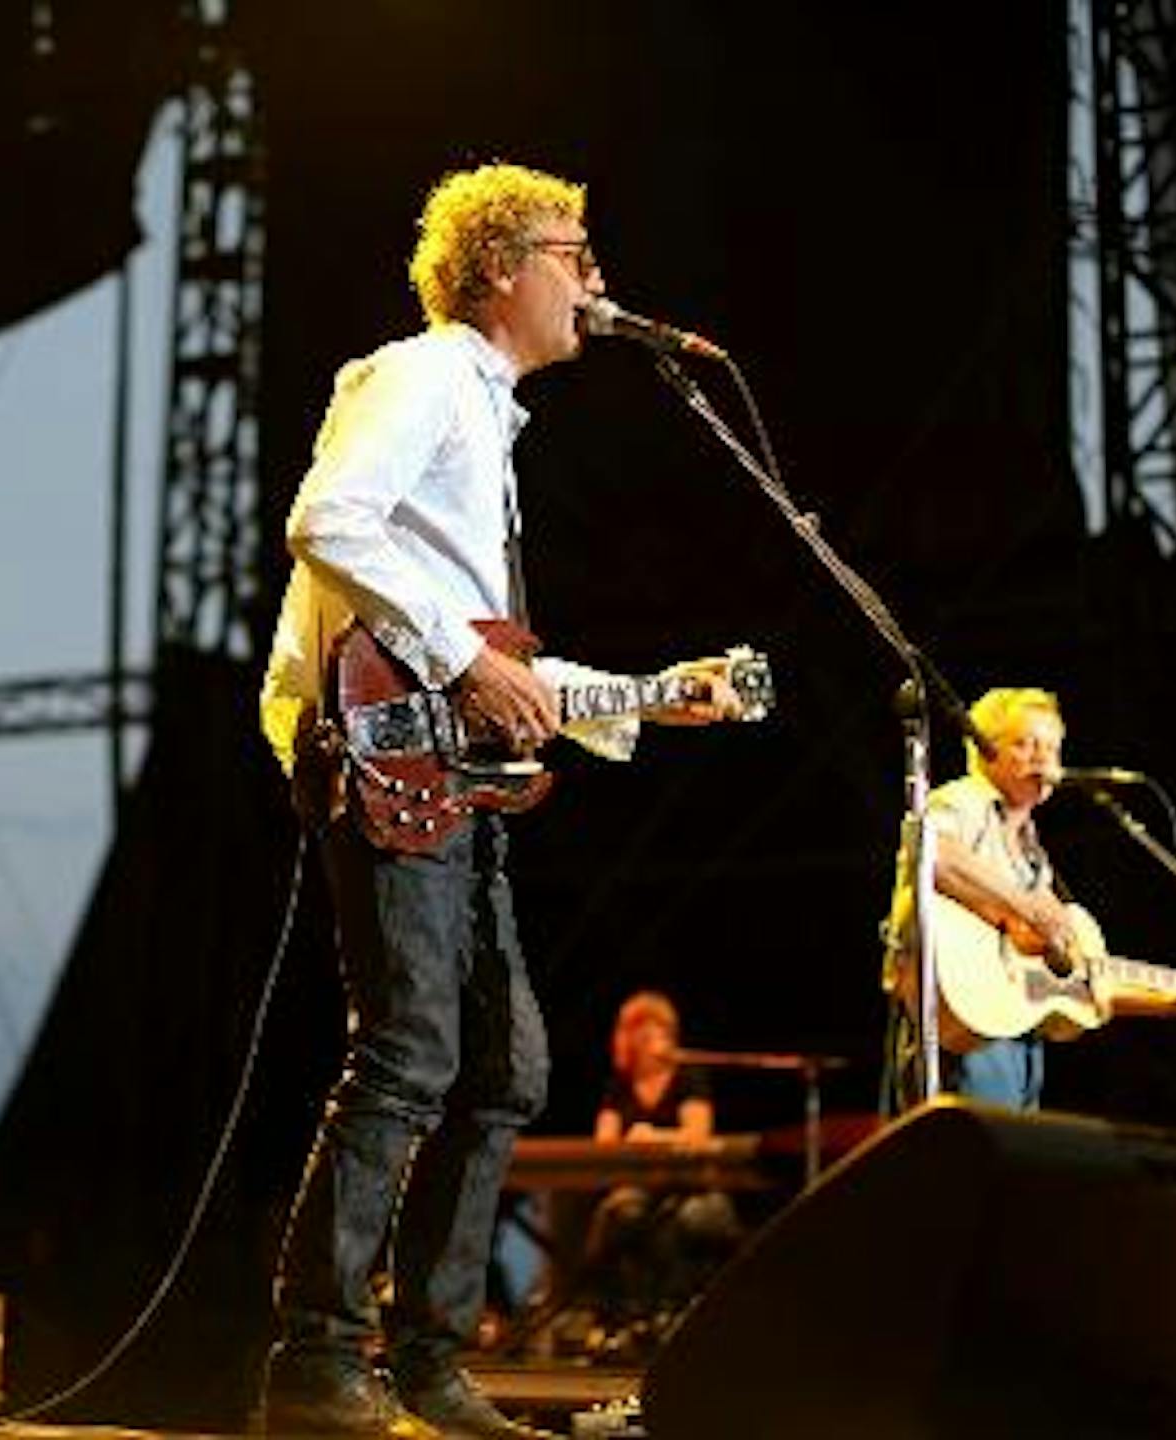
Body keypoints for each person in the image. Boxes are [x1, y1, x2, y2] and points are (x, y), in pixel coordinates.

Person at [256, 163, 745, 1439]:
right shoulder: (424, 376)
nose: (597, 279)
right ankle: (316, 1360)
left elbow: (497, 664)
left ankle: (427, 1362)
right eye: (574, 253)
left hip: (448, 773)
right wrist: (466, 664)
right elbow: (328, 520)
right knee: (410, 1049)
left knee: (503, 1067)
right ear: (497, 269)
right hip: (383, 761)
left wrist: (653, 696)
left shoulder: (488, 418)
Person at [882, 687, 1176, 1109]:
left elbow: (1078, 981)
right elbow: (934, 855)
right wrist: (1027, 908)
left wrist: (1174, 1001)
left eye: (1053, 748)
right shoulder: (964, 800)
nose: (1044, 759)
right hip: (961, 1029)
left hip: (1016, 1038)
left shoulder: (1033, 854)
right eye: (1026, 744)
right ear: (985, 750)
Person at [581, 992, 741, 1344]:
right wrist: (626, 1142)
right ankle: (615, 1317)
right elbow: (603, 1142)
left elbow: (698, 1133)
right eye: (639, 1027)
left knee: (679, 1221)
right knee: (620, 1214)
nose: (649, 1035)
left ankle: (672, 1318)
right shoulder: (620, 1085)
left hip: (689, 1187)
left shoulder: (687, 1074)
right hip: (638, 1189)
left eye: (656, 1026)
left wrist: (654, 1136)